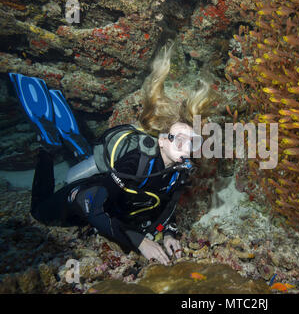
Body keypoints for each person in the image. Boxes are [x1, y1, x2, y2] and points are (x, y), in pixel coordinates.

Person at [10, 44, 215, 265]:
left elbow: (166, 207)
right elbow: (93, 205)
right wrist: (139, 242)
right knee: (39, 212)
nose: (186, 149)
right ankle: (47, 148)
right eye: (180, 140)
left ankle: (77, 144)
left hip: (114, 206)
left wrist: (168, 233)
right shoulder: (138, 161)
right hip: (82, 198)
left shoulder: (180, 171)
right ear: (163, 140)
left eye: (193, 142)